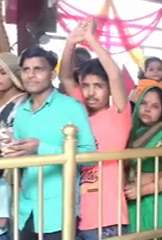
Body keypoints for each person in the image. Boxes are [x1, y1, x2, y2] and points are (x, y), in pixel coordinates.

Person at [4, 46, 96, 239]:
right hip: (25, 207)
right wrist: (11, 149)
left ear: (52, 74)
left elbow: (89, 155)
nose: (31, 75)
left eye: (38, 69)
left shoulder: (71, 107)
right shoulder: (22, 112)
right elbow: (21, 158)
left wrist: (41, 148)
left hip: (58, 210)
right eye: (26, 70)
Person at [59, 19, 131, 238]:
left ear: (109, 89)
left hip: (108, 219)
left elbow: (115, 74)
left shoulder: (118, 114)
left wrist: (91, 40)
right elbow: (64, 77)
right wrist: (70, 43)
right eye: (86, 86)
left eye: (98, 86)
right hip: (79, 215)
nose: (91, 93)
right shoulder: (80, 112)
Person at [125, 86, 162, 233]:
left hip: (154, 198)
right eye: (143, 103)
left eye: (155, 106)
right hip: (131, 196)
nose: (147, 109)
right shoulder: (131, 129)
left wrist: (142, 190)